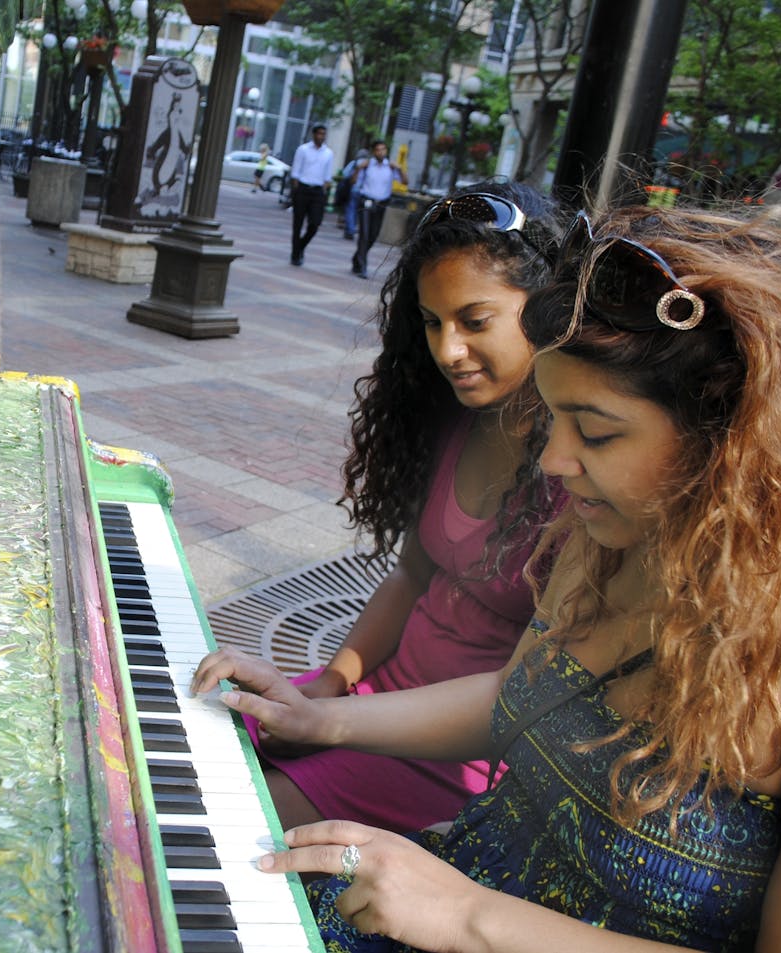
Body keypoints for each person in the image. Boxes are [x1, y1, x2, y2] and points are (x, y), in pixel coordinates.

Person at [194, 204, 781, 951]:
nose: (557, 461)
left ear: (732, 435)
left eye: (594, 430)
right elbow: (519, 692)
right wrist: (320, 716)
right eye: (554, 419)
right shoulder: (607, 539)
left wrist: (470, 916)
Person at [221, 183, 569, 836]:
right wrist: (332, 680)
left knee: (236, 819)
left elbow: (522, 699)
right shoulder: (458, 420)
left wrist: (330, 719)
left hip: (452, 752)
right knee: (187, 736)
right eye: (433, 323)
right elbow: (411, 578)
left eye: (474, 320)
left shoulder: (578, 475)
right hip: (370, 697)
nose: (447, 350)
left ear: (547, 307)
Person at [350, 140, 409, 279]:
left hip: (381, 204)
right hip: (366, 201)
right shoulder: (367, 165)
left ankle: (357, 258)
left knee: (373, 235)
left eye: (383, 149)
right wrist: (358, 168)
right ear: (373, 152)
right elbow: (352, 182)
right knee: (364, 234)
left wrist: (400, 168)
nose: (380, 152)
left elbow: (405, 182)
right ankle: (362, 266)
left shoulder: (391, 167)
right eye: (378, 150)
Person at [290, 124, 335, 266]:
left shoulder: (328, 153)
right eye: (319, 133)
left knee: (314, 224)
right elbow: (295, 172)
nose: (321, 136)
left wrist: (324, 191)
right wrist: (296, 191)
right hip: (302, 189)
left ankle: (300, 247)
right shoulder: (303, 150)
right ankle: (295, 255)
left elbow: (327, 176)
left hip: (317, 192)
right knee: (297, 224)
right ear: (313, 134)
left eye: (324, 134)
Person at [337, 148, 370, 239]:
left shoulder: (354, 163)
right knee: (358, 211)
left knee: (350, 209)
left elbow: (345, 174)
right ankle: (353, 227)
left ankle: (350, 230)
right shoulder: (369, 164)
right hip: (365, 192)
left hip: (353, 190)